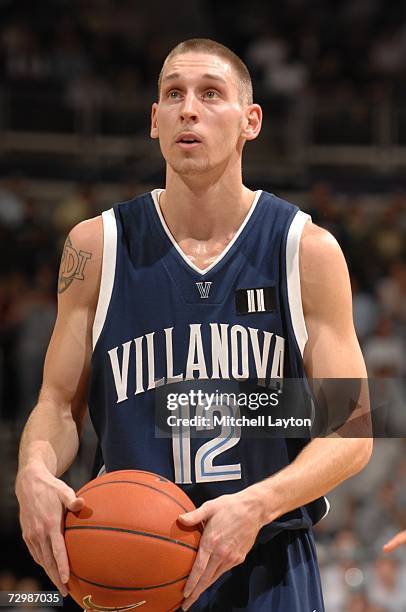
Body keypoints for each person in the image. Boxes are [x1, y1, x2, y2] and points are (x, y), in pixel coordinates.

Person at [15, 38, 372, 611]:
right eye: (173, 94)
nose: (189, 108)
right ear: (154, 120)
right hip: (129, 563)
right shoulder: (96, 248)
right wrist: (33, 470)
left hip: (266, 562)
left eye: (211, 94)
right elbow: (58, 405)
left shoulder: (306, 250)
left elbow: (352, 431)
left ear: (250, 121)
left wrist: (256, 504)